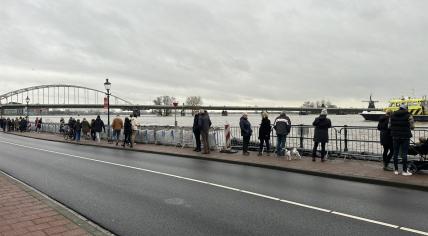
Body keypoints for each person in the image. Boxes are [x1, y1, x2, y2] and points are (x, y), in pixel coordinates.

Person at [390, 104, 415, 176]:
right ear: (406, 109)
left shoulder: (392, 115)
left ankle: (396, 170)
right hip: (405, 137)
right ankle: (404, 171)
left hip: (395, 136)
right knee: (404, 154)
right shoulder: (409, 115)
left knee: (395, 153)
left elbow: (389, 126)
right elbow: (412, 127)